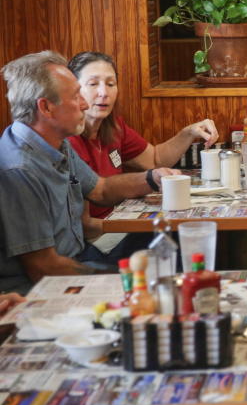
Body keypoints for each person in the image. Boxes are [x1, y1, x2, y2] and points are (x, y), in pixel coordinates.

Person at [0, 51, 177, 296]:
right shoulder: (19, 169)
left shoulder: (54, 142)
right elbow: (44, 268)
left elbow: (101, 189)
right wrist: (124, 279)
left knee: (165, 251)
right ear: (46, 108)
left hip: (75, 260)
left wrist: (151, 178)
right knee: (155, 281)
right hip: (38, 290)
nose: (85, 103)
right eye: (76, 96)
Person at [66, 51, 218, 255]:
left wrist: (189, 133)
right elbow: (84, 226)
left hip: (120, 228)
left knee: (187, 234)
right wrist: (140, 226)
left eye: (111, 84)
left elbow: (154, 159)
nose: (104, 92)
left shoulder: (113, 127)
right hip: (94, 242)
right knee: (176, 240)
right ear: (74, 90)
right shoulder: (68, 140)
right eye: (93, 84)